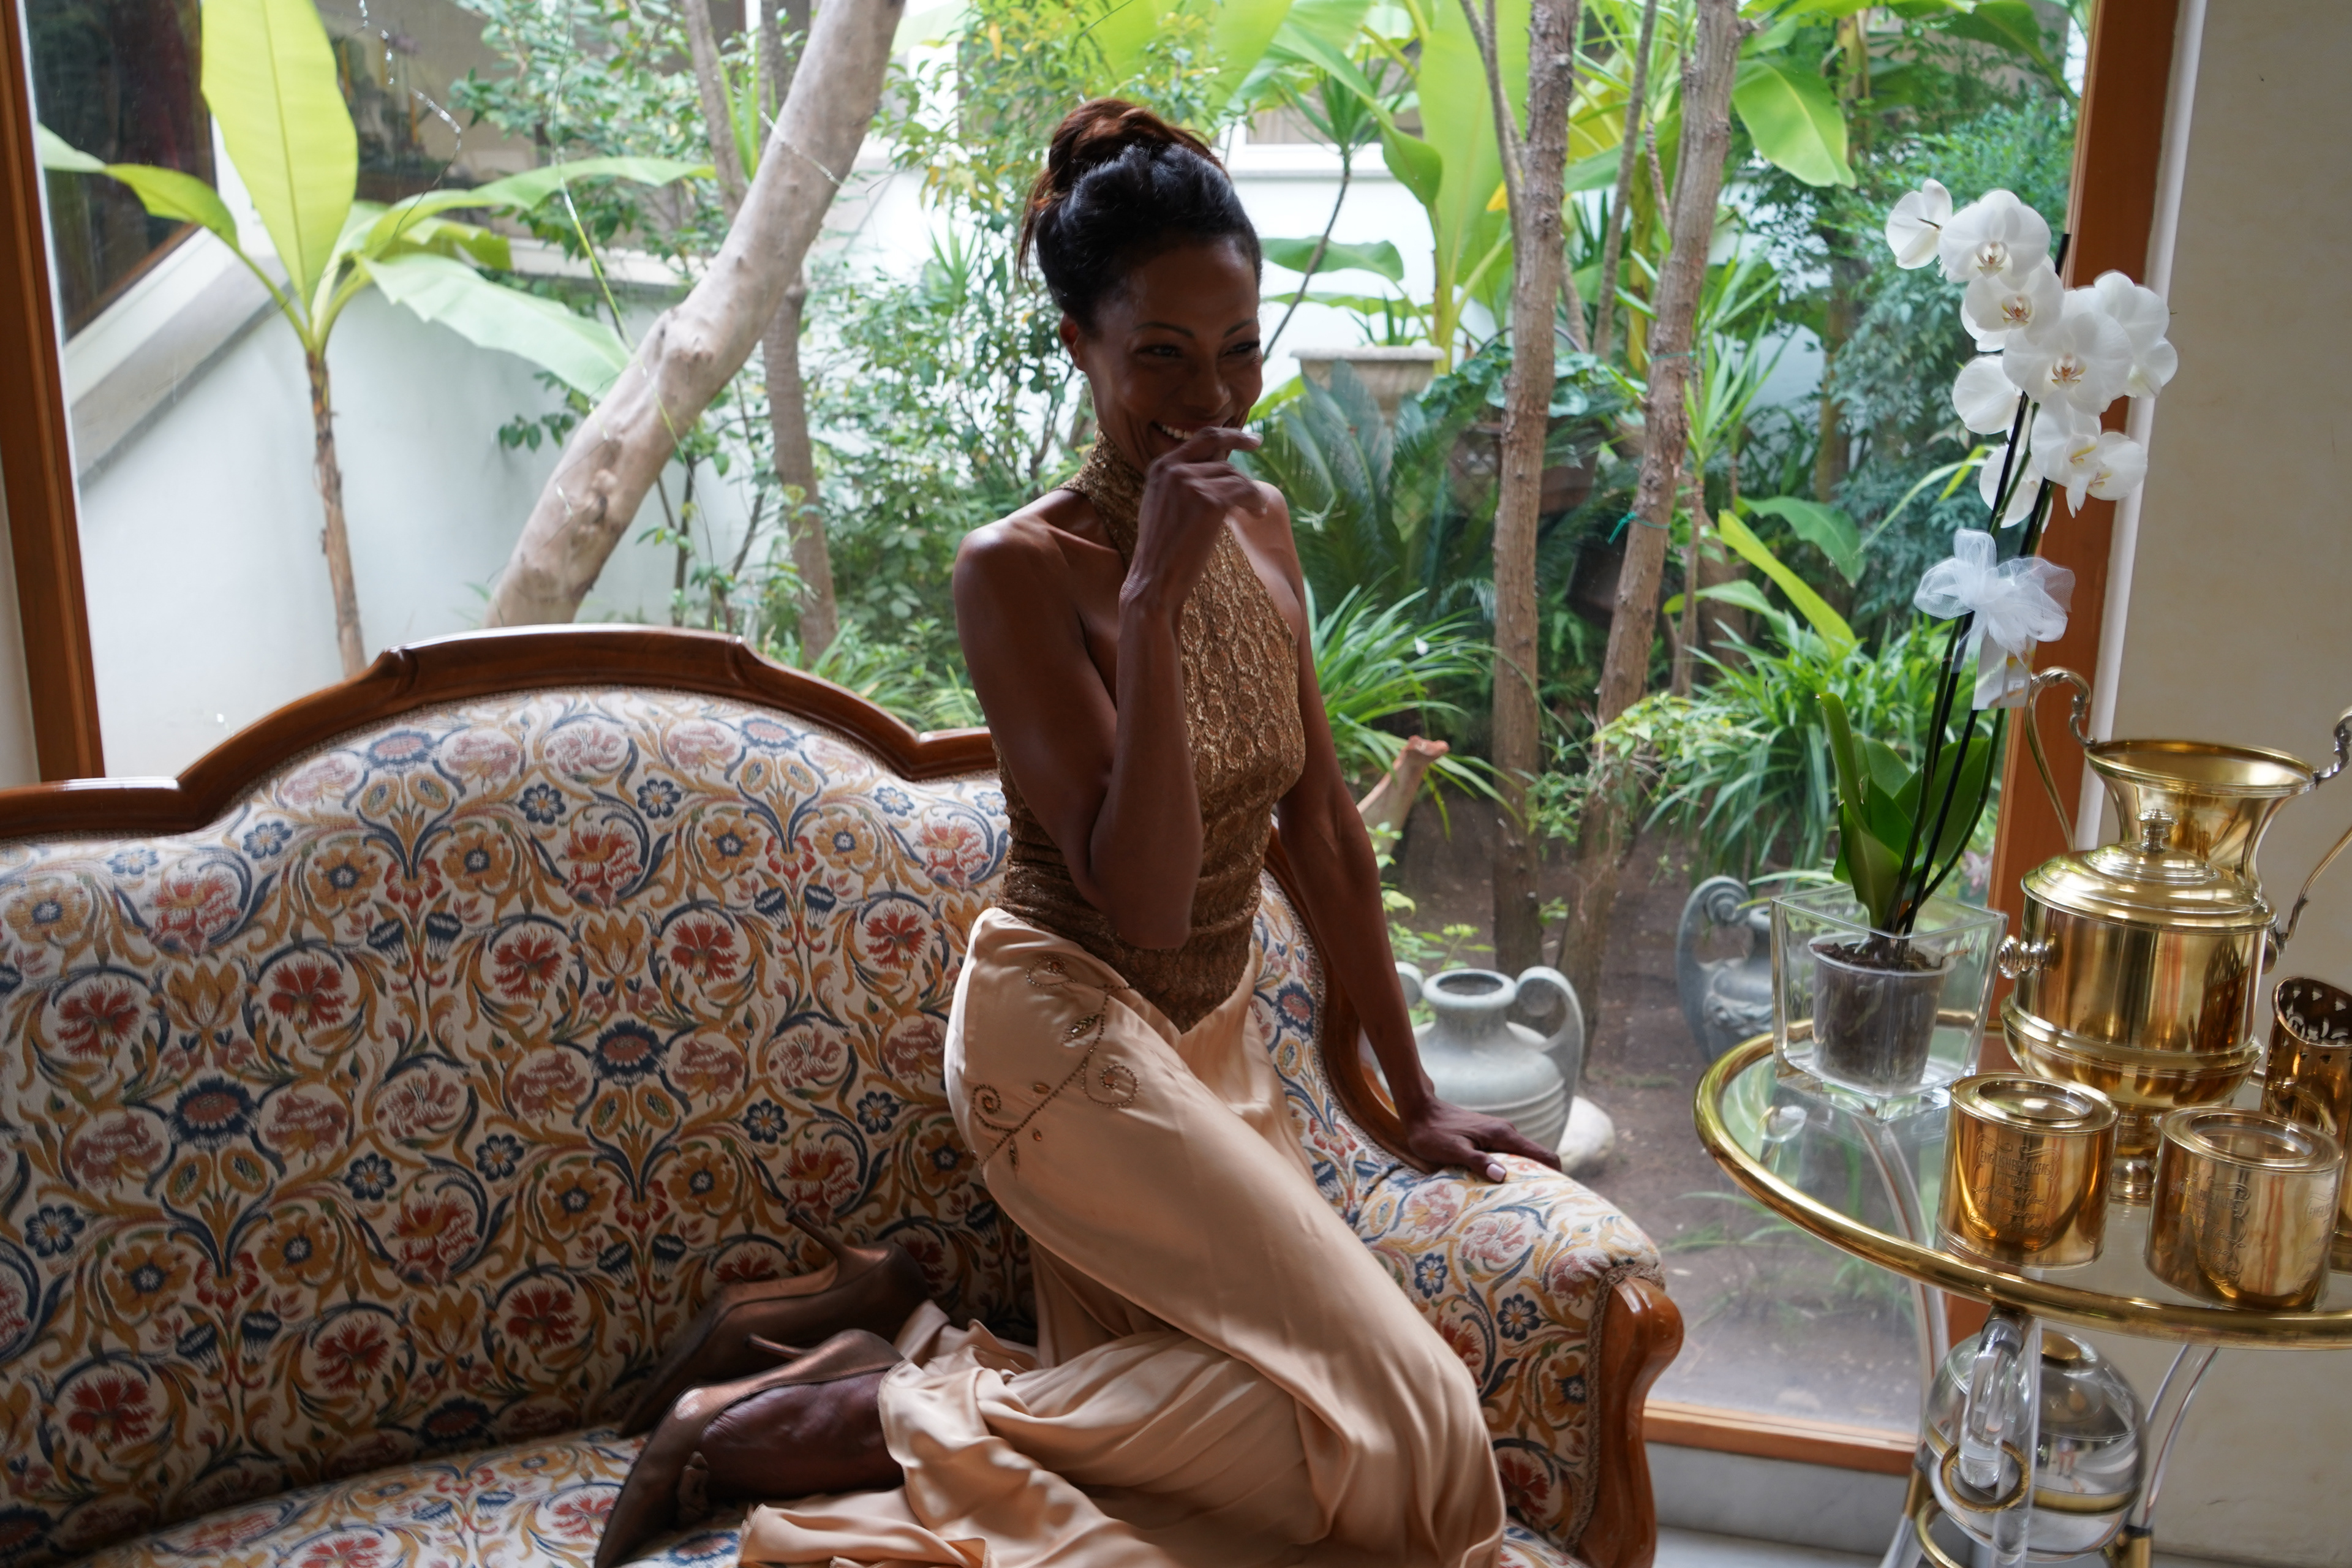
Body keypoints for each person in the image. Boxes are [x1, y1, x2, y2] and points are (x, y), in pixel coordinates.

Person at [622, 98, 1559, 1568]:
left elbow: (1322, 826)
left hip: (1208, 1046)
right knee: (1420, 1419)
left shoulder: (1263, 524)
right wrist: (1152, 596)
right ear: (1081, 344)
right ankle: (821, 1416)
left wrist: (1409, 1087)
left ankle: (890, 1338)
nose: (1212, 398)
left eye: (1240, 349)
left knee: (1308, 1431)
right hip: (1059, 1036)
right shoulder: (1016, 570)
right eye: (1163, 356)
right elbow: (1142, 898)